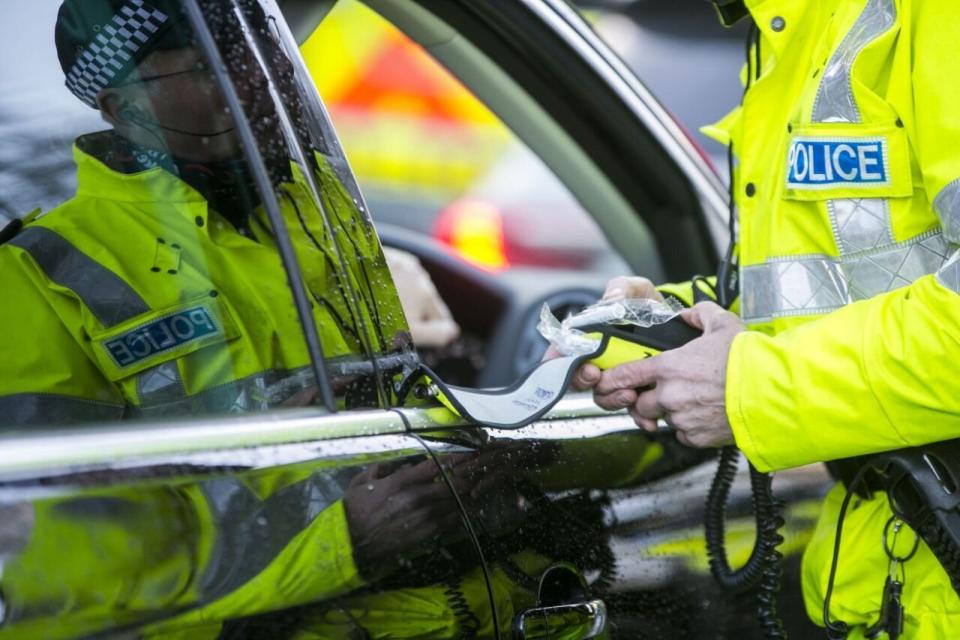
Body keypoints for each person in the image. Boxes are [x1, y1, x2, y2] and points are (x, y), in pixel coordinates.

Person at [577, 1, 960, 636]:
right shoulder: (794, 28)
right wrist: (661, 329)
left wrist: (750, 386)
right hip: (899, 564)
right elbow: (826, 293)